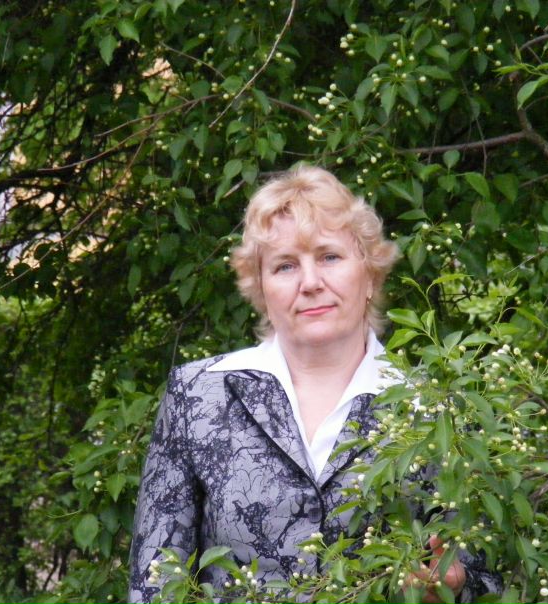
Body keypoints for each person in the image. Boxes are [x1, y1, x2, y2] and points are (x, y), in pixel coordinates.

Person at [129, 166, 501, 603]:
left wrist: (451, 589)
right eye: (285, 266)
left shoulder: (435, 406)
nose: (310, 283)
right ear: (261, 288)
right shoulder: (198, 394)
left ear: (370, 274)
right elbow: (154, 582)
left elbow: (487, 579)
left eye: (329, 257)